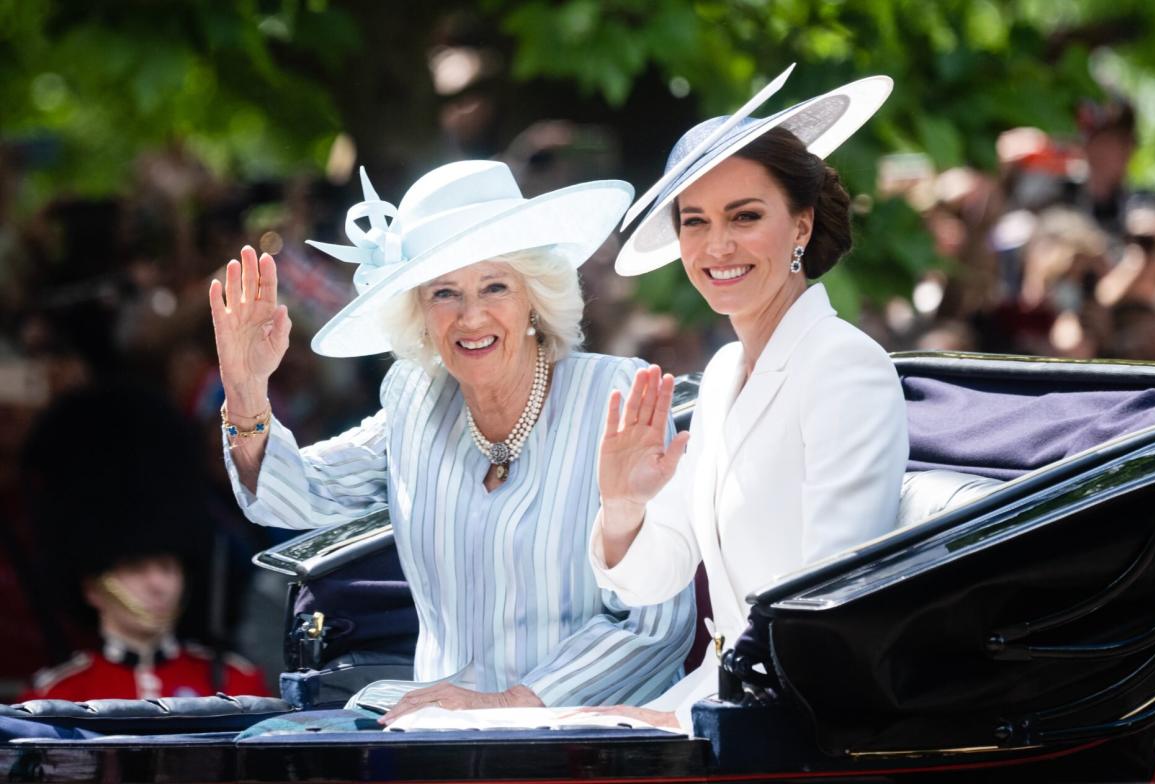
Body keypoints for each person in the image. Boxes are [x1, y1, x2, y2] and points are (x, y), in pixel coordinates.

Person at [210, 161, 694, 723]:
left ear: (534, 297)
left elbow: (656, 624)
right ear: (418, 312)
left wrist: (512, 706)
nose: (471, 316)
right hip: (442, 736)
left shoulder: (614, 395)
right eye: (444, 292)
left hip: (599, 739)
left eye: (495, 286)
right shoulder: (417, 397)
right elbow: (299, 497)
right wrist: (246, 391)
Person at [587, 67, 910, 730]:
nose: (717, 246)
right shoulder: (725, 370)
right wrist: (622, 508)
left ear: (800, 224)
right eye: (695, 222)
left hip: (800, 720)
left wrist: (686, 720)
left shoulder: (843, 365)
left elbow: (830, 600)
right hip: (721, 704)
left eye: (744, 216)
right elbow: (655, 577)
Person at [20, 384, 268, 702]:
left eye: (167, 568)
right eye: (136, 569)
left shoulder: (237, 684)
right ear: (93, 588)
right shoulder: (57, 695)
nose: (157, 584)